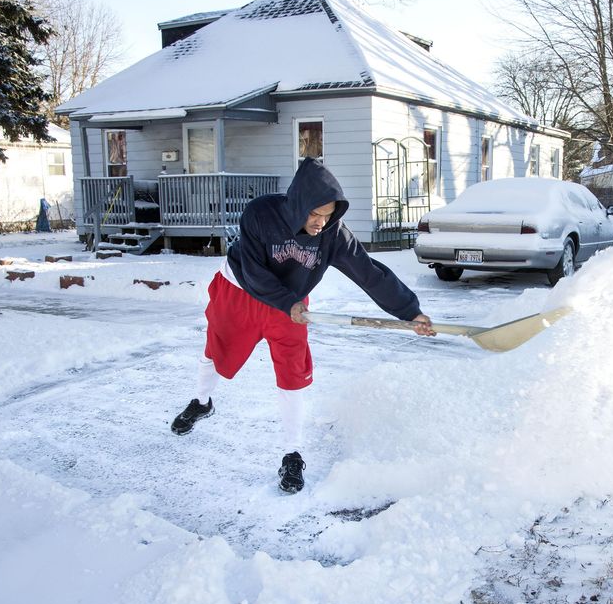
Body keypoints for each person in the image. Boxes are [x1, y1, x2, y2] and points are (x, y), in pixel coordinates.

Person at [171, 157, 435, 493]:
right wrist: (287, 302)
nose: (321, 223)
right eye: (315, 214)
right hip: (240, 292)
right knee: (216, 352)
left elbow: (369, 273)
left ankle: (292, 454)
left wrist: (410, 311)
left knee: (292, 374)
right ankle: (201, 401)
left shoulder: (333, 234)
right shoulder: (260, 214)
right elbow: (253, 272)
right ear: (298, 204)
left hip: (290, 307)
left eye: (328, 215)